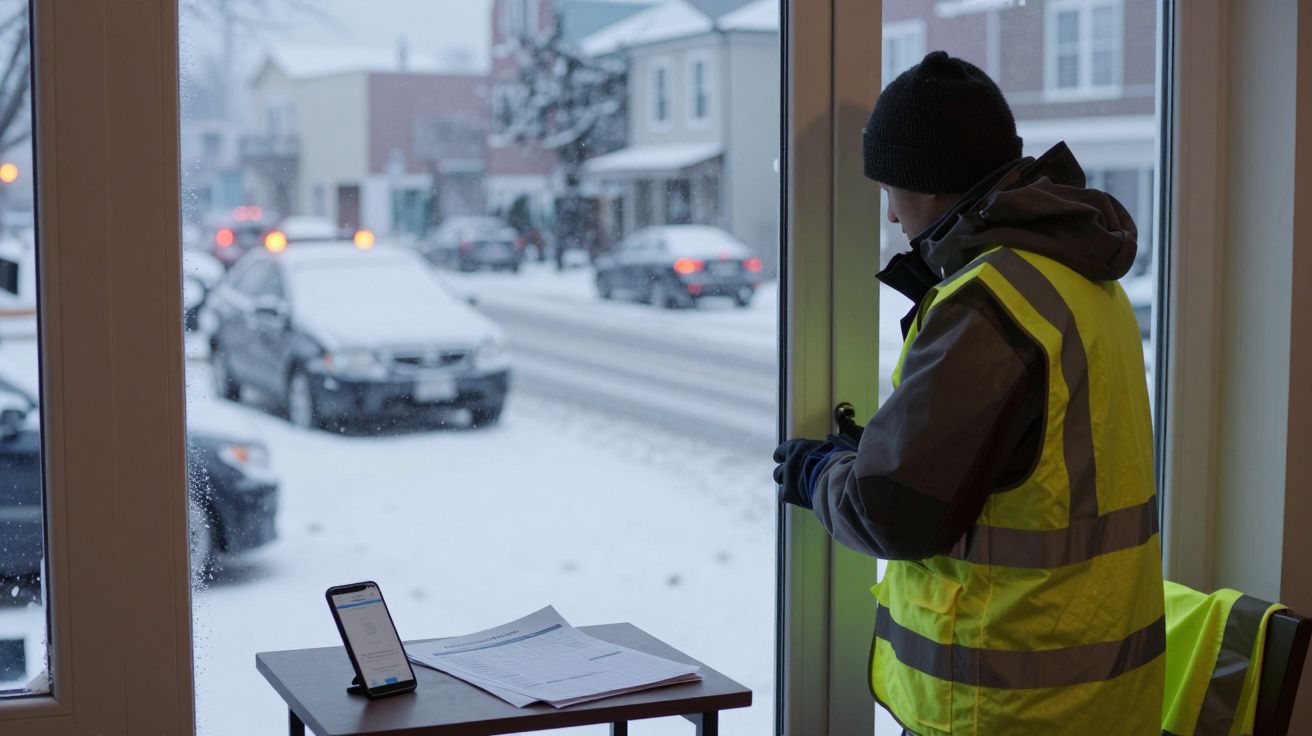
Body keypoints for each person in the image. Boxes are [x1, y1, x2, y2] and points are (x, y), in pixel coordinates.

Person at [773, 51, 1165, 734]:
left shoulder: (990, 304)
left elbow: (889, 513)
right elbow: (1033, 469)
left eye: (888, 188)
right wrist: (892, 448)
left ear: (924, 184)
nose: (892, 217)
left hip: (1009, 701)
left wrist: (820, 473)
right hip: (1100, 696)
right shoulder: (1082, 279)